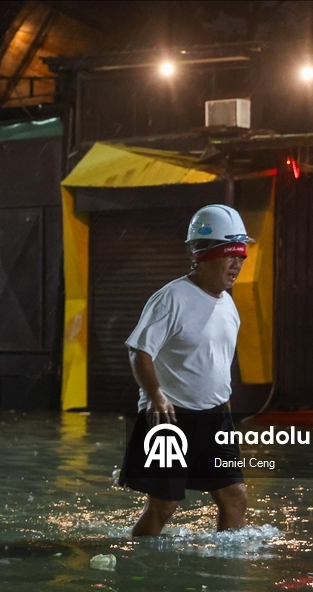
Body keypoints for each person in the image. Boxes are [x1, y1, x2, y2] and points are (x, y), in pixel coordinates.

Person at [120, 204, 250, 537]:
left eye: (241, 255)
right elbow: (139, 350)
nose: (237, 263)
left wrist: (227, 407)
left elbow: (217, 361)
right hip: (171, 418)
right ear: (201, 255)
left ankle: (226, 576)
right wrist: (155, 396)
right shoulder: (172, 298)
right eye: (229, 254)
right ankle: (139, 565)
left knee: (234, 496)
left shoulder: (228, 303)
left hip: (216, 417)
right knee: (165, 505)